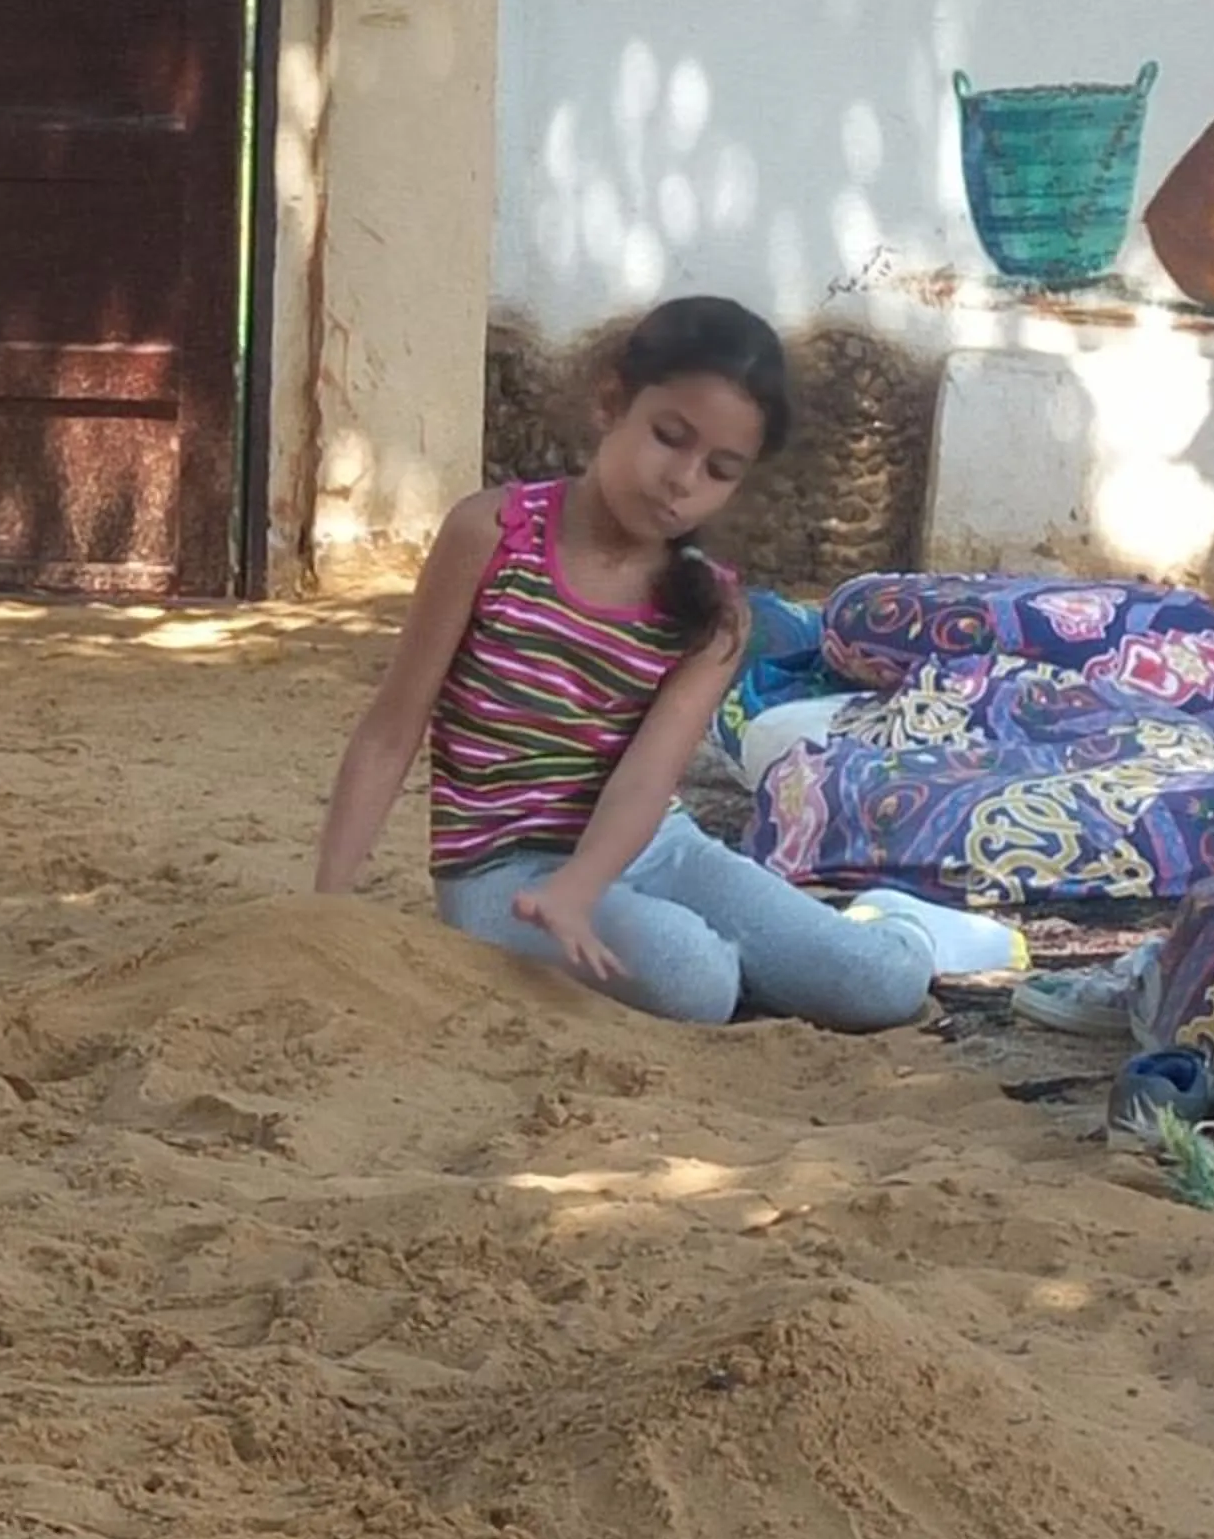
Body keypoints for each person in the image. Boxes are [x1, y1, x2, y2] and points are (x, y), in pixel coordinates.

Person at [313, 296, 976, 1032]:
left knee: (878, 985)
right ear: (611, 402)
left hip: (652, 847)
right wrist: (326, 906)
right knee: (691, 979)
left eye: (720, 469)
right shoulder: (490, 535)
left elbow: (646, 779)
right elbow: (390, 730)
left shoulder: (713, 610)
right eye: (669, 437)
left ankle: (903, 926)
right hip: (500, 875)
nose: (682, 479)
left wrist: (582, 886)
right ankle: (731, 959)